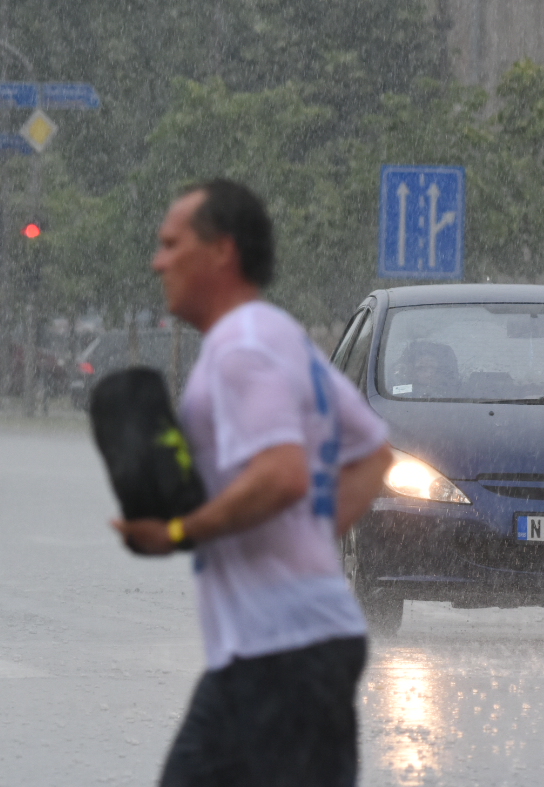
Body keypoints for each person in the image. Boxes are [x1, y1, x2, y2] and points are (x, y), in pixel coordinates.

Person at [116, 180, 393, 787]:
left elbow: (281, 475)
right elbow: (373, 455)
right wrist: (310, 548)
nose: (156, 260)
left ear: (222, 252)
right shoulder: (279, 335)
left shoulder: (241, 350)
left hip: (283, 657)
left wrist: (179, 531)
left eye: (171, 243)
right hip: (291, 646)